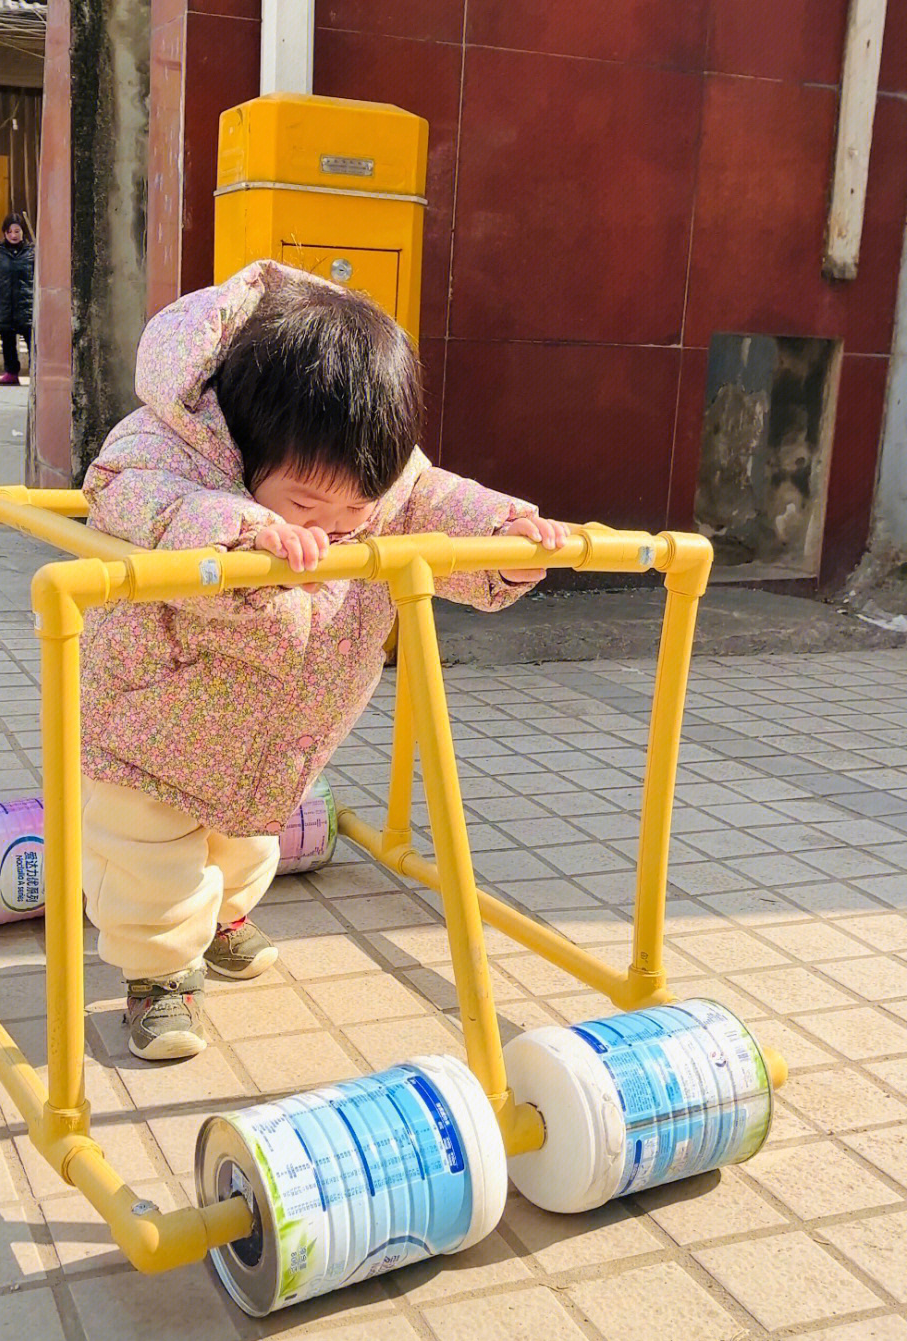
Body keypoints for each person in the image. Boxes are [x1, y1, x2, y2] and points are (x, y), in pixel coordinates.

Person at [79, 260, 569, 1061]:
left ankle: (226, 917)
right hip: (155, 716)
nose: (339, 528)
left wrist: (503, 537)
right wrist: (239, 528)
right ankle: (159, 974)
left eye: (356, 510)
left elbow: (430, 500)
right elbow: (135, 498)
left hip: (280, 724)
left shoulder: (368, 468)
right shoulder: (166, 443)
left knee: (248, 841)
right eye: (308, 506)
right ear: (245, 442)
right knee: (152, 862)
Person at [0, 214, 33, 386]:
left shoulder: (31, 252)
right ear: (5, 233)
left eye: (17, 231)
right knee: (8, 340)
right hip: (5, 302)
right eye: (10, 231)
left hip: (26, 304)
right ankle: (11, 373)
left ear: (23, 232)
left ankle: (36, 373)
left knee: (31, 340)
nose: (14, 235)